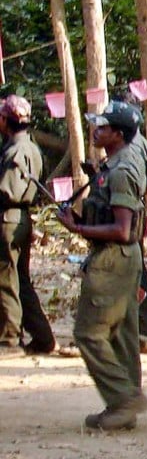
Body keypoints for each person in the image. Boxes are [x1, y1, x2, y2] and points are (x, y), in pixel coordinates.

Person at [56, 101, 147, 430]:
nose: (96, 131)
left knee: (88, 332)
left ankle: (123, 400)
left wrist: (78, 228)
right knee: (122, 334)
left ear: (119, 134)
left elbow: (122, 229)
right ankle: (123, 407)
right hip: (120, 256)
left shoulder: (121, 171)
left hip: (113, 259)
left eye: (103, 127)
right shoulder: (114, 165)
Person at [0, 96, 55, 358]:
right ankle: (42, 336)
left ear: (5, 120)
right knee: (20, 280)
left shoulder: (16, 151)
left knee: (6, 279)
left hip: (8, 218)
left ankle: (10, 339)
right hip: (20, 218)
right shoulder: (30, 147)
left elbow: (7, 191)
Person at [115, 91, 147, 355]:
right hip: (135, 211)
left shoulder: (131, 146)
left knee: (131, 270)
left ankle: (141, 331)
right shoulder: (141, 143)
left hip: (128, 213)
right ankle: (139, 331)